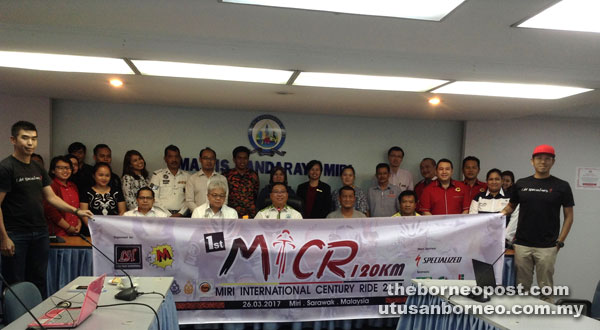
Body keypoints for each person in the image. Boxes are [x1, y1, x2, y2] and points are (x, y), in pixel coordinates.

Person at [0, 121, 93, 297]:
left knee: (39, 280)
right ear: (13, 139)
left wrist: (77, 211)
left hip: (40, 233)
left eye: (34, 139)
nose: (30, 143)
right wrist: (3, 237)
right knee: (16, 283)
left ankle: (38, 321)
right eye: (25, 138)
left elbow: (51, 198)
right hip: (16, 234)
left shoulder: (37, 167)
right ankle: (14, 321)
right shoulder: (6, 167)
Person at [501, 144, 574, 303]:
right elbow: (510, 207)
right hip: (522, 245)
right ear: (532, 161)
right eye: (539, 158)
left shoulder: (562, 186)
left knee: (546, 291)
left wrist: (559, 242)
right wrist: (495, 217)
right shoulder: (521, 184)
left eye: (547, 159)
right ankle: (520, 323)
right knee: (522, 289)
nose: (543, 162)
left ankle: (546, 323)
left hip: (547, 246)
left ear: (553, 162)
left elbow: (569, 216)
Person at [80, 162, 126, 234]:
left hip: (114, 231)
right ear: (94, 176)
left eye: (107, 175)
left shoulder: (117, 191)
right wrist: (94, 229)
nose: (104, 178)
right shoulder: (86, 192)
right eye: (100, 175)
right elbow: (83, 214)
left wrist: (115, 228)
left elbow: (122, 212)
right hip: (92, 231)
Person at [43, 155, 82, 237]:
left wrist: (79, 223)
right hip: (58, 233)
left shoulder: (73, 186)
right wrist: (68, 228)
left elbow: (77, 208)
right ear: (53, 170)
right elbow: (51, 211)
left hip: (75, 231)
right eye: (61, 168)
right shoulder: (50, 186)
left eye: (68, 168)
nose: (65, 171)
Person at [149, 145, 190, 217]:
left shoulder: (187, 176)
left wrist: (181, 213)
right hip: (161, 215)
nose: (174, 160)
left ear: (180, 158)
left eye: (176, 156)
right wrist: (167, 214)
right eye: (170, 156)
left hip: (183, 216)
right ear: (165, 159)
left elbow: (190, 198)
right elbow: (153, 196)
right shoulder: (157, 175)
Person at [185, 147, 228, 212]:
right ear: (200, 159)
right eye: (205, 158)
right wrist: (200, 213)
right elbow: (189, 201)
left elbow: (225, 200)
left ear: (215, 160)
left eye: (212, 158)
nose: (209, 161)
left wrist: (215, 213)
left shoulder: (222, 179)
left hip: (217, 217)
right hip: (198, 218)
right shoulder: (192, 179)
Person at [224, 146, 259, 218]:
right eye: (239, 158)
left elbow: (255, 194)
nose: (242, 161)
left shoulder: (253, 175)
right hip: (231, 214)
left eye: (245, 158)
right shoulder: (227, 175)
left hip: (250, 214)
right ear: (234, 159)